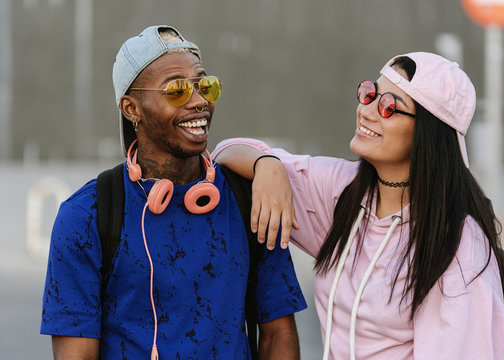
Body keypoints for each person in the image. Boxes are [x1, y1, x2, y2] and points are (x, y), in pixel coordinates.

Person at [213, 52, 504, 359]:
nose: (366, 111)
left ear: (429, 133)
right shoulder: (341, 191)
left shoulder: (457, 246)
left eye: (389, 106)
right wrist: (268, 166)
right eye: (370, 94)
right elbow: (226, 152)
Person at [40, 25, 307, 359]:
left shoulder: (251, 199)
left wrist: (269, 163)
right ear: (131, 109)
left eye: (205, 86)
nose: (199, 102)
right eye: (177, 90)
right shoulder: (86, 215)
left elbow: (276, 335)